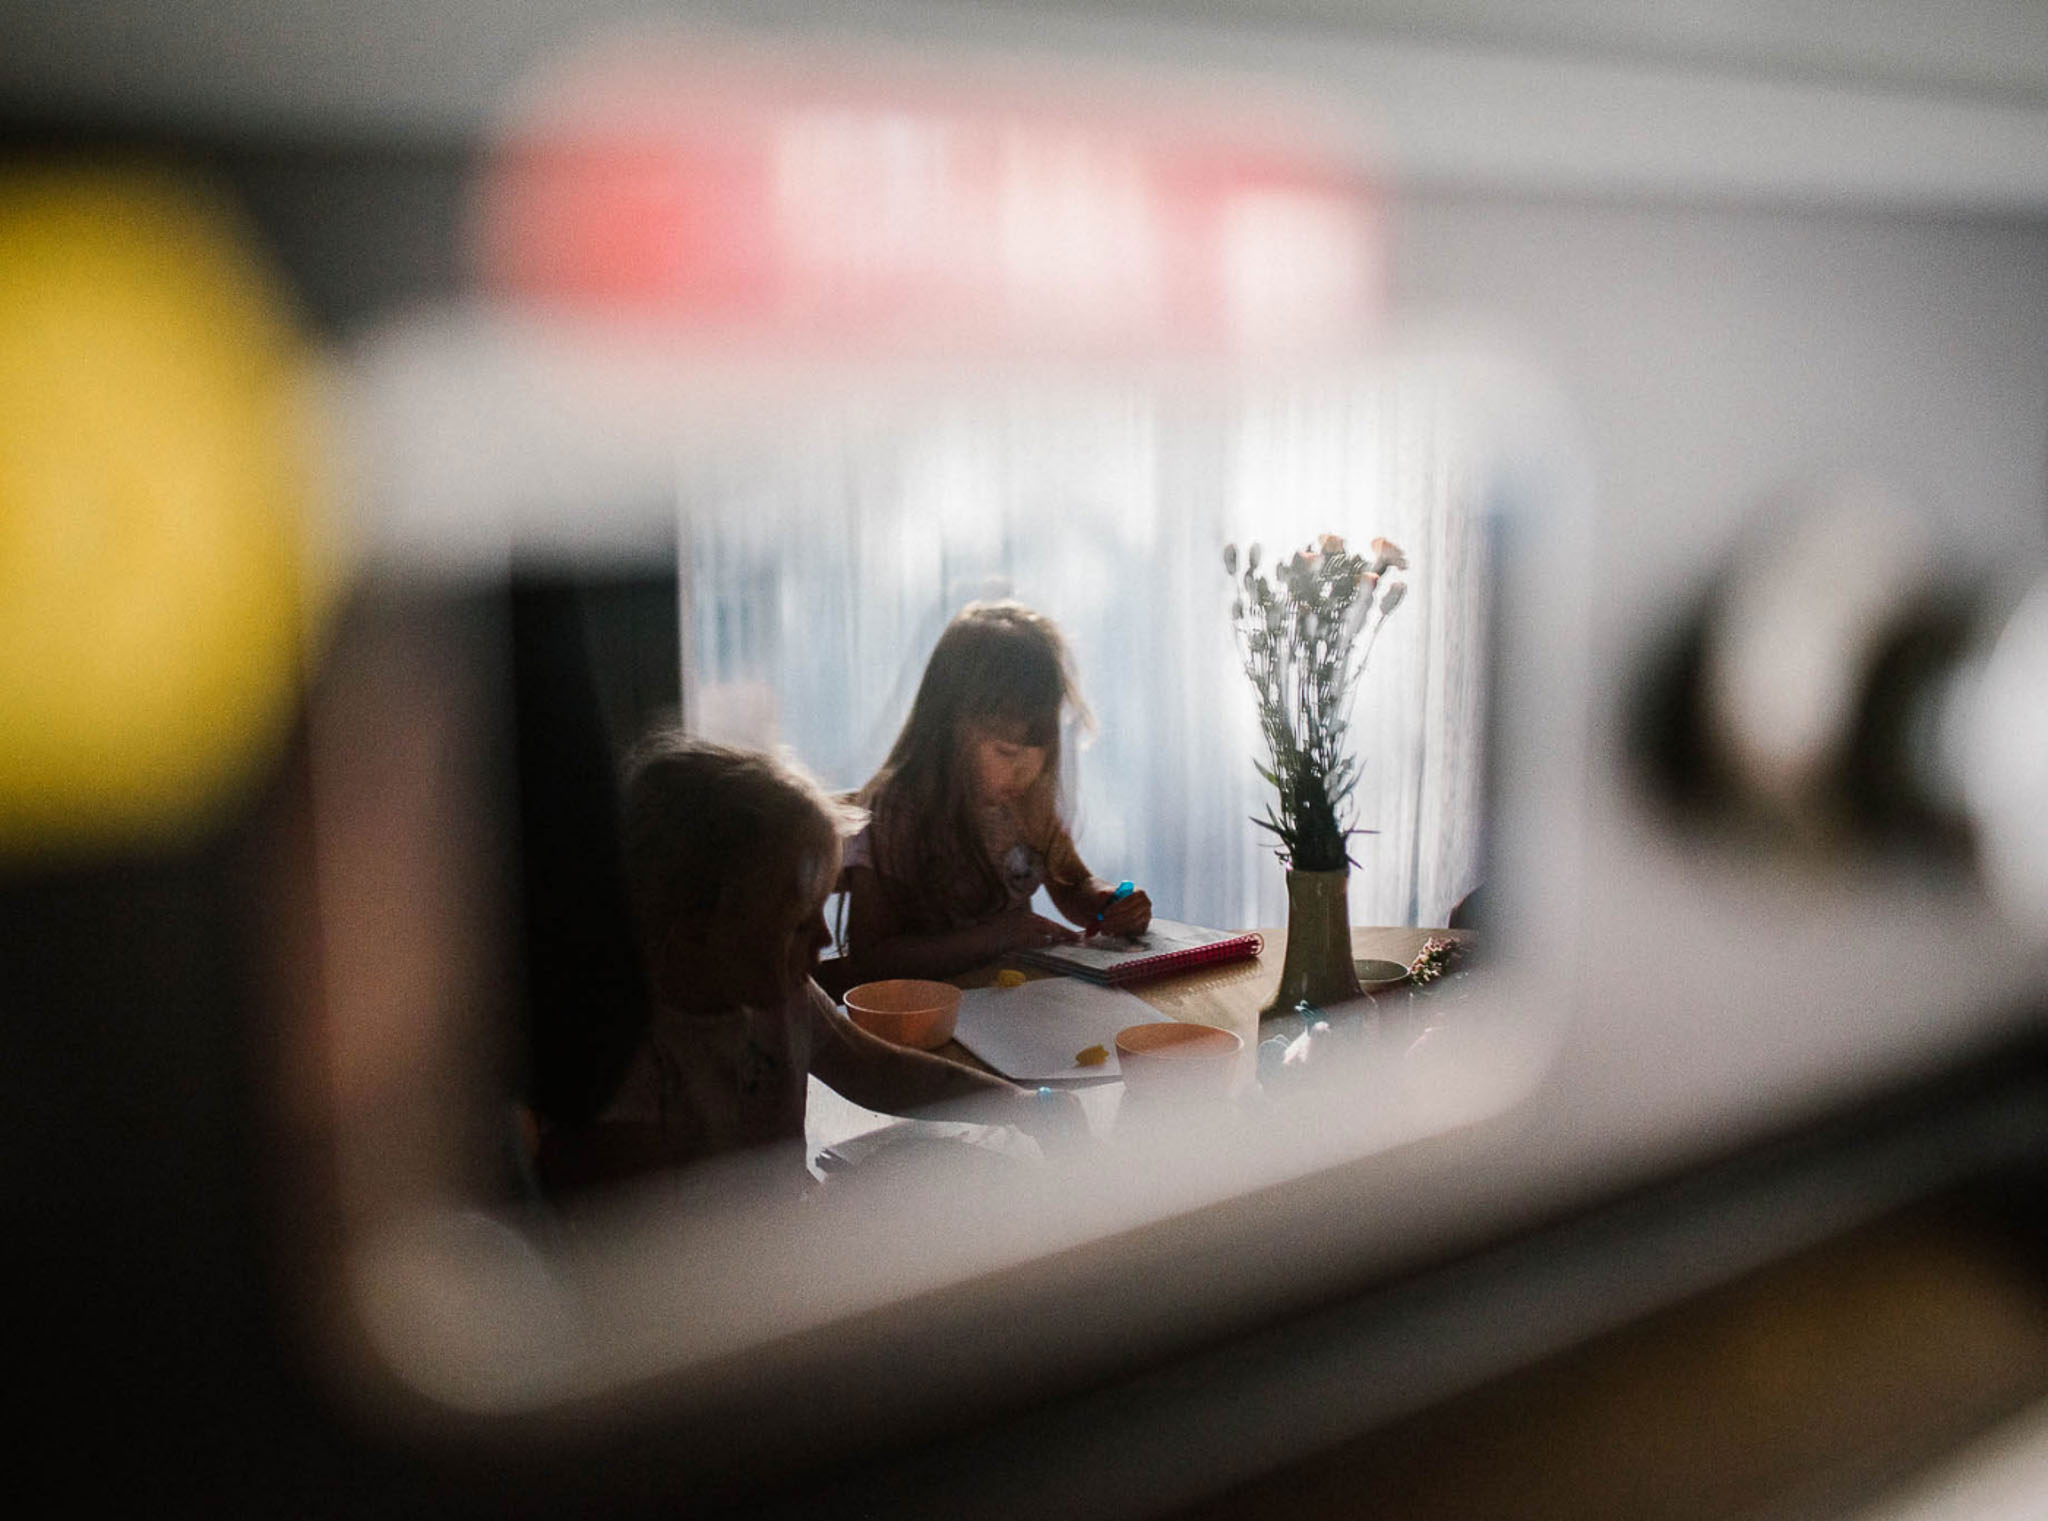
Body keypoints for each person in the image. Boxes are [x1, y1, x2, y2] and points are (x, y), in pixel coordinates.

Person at [536, 732, 1065, 1197]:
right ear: (696, 933)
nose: (826, 938)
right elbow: (654, 1255)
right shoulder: (620, 1069)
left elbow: (874, 1069)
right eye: (796, 925)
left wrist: (1017, 1103)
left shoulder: (778, 991)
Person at [844, 600, 1151, 983]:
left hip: (1010, 998)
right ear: (948, 730)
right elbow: (870, 959)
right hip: (929, 1007)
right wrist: (995, 937)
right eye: (1006, 751)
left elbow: (1072, 885)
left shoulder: (1027, 803)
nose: (1027, 771)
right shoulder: (898, 811)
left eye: (1040, 751)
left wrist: (1106, 901)